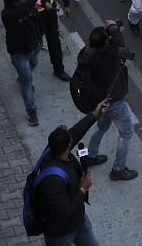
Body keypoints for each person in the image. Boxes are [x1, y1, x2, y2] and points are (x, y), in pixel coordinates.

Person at [31, 100, 109, 246]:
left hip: (79, 221)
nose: (73, 138)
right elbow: (64, 212)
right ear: (68, 146)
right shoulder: (53, 179)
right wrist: (82, 189)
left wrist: (94, 114)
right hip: (60, 233)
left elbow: (78, 130)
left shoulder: (55, 149)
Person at [78, 20, 139, 183]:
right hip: (114, 100)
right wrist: (111, 27)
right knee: (126, 133)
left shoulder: (87, 53)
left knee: (102, 126)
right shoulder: (111, 54)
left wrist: (108, 32)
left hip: (100, 100)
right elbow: (119, 40)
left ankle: (91, 155)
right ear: (106, 42)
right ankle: (118, 170)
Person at [0, 0, 44, 125]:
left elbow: (36, 8)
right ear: (15, 1)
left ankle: (23, 77)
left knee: (34, 64)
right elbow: (24, 10)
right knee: (27, 84)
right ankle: (31, 111)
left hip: (34, 45)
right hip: (19, 52)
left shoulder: (26, 4)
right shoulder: (7, 14)